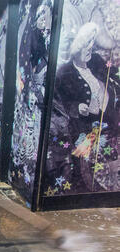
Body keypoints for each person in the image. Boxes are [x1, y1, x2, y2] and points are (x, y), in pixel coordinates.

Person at [53, 22, 119, 193]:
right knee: (92, 173)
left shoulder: (96, 61)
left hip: (109, 127)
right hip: (85, 133)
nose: (90, 48)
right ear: (76, 48)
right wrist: (76, 107)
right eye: (86, 44)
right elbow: (59, 104)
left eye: (92, 43)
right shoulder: (64, 73)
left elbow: (112, 77)